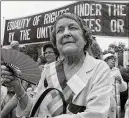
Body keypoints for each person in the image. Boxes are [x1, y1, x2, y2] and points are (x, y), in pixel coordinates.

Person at [1, 13, 111, 118]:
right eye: (60, 30)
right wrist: (18, 87)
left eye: (73, 27)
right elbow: (33, 110)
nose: (66, 33)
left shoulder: (99, 68)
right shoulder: (48, 70)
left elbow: (96, 115)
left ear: (85, 39)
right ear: (56, 43)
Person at [103, 53, 127, 118]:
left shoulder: (116, 71)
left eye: (114, 59)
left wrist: (120, 81)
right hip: (103, 100)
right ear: (105, 60)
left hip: (114, 101)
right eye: (111, 59)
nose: (113, 61)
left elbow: (124, 89)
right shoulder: (101, 71)